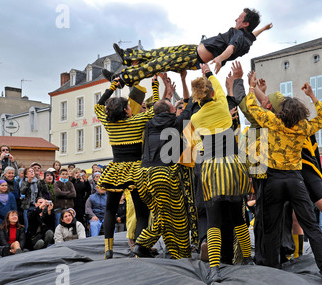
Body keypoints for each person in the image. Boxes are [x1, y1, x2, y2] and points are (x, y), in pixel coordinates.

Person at [245, 77, 322, 285]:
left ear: (281, 112)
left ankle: (273, 272)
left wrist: (253, 87)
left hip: (273, 180)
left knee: (271, 229)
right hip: (295, 179)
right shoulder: (304, 127)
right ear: (299, 112)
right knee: (311, 227)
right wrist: (312, 96)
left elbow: (251, 106)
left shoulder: (272, 121)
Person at [188, 64, 252, 284]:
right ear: (213, 94)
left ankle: (215, 269)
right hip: (233, 167)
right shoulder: (224, 104)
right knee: (238, 217)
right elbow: (216, 84)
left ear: (197, 99)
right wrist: (207, 71)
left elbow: (197, 145)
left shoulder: (195, 119)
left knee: (213, 220)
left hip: (212, 170)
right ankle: (248, 259)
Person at [103, 9, 272, 86]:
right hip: (192, 50)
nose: (236, 19)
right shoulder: (247, 38)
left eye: (239, 18)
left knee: (158, 63)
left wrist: (220, 59)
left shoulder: (238, 35)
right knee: (158, 53)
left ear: (245, 23)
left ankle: (121, 79)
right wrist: (263, 29)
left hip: (194, 58)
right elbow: (252, 35)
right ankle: (128, 56)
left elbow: (231, 49)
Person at [95, 78, 154, 259]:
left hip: (116, 168)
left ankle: (108, 249)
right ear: (126, 110)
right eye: (128, 107)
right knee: (141, 211)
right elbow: (154, 110)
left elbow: (98, 106)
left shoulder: (109, 123)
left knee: (110, 209)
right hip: (135, 169)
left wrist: (113, 86)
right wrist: (156, 86)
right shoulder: (137, 121)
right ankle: (139, 249)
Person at [132, 84, 193, 260]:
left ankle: (172, 251)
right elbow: (188, 107)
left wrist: (165, 90)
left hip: (142, 175)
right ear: (172, 110)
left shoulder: (149, 123)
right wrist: (185, 80)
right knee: (176, 215)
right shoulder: (175, 123)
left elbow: (158, 107)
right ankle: (144, 244)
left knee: (161, 213)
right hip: (163, 174)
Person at [20, 167, 48, 231]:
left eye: (32, 171)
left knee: (37, 223)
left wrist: (42, 180)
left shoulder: (38, 181)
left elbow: (45, 190)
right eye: (29, 171)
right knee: (27, 225)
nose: (32, 172)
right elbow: (22, 192)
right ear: (26, 175)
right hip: (27, 206)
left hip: (37, 205)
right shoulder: (24, 182)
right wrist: (28, 182)